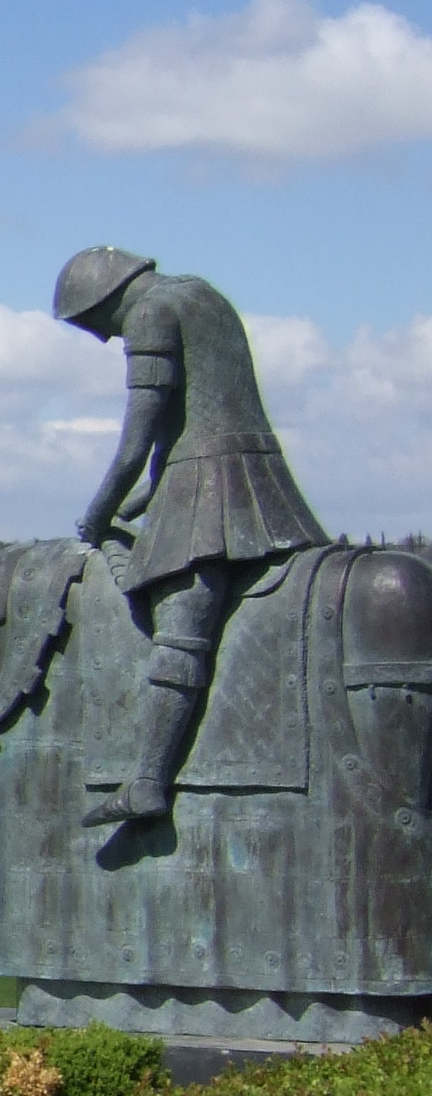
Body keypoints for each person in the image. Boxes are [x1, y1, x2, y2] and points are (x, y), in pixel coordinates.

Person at [55, 245, 330, 826]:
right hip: (254, 477)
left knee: (180, 635)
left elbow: (141, 436)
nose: (103, 337)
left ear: (105, 298)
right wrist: (143, 500)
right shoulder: (204, 295)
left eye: (94, 324)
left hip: (209, 490)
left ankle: (148, 780)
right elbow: (194, 421)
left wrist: (98, 512)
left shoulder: (151, 313)